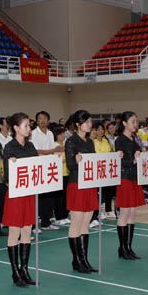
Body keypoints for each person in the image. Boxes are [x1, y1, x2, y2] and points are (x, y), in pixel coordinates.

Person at [1, 112, 38, 287]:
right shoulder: (9, 147)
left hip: (29, 194)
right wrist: (12, 165)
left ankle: (24, 269)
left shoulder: (30, 146)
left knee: (27, 232)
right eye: (25, 125)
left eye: (29, 125)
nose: (28, 128)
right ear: (16, 128)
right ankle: (15, 272)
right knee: (14, 233)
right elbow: (7, 176)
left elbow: (37, 168)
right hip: (16, 195)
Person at [64, 110, 99, 273]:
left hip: (89, 184)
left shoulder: (90, 142)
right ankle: (76, 260)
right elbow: (70, 165)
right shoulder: (71, 141)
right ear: (78, 124)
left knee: (85, 224)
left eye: (90, 121)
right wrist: (75, 161)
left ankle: (84, 259)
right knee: (76, 224)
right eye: (86, 122)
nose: (89, 124)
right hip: (77, 184)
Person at [114, 111, 144, 260]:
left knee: (132, 212)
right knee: (124, 212)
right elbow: (119, 162)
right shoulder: (120, 140)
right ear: (125, 123)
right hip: (124, 178)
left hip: (134, 177)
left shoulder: (135, 139)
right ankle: (122, 248)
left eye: (136, 121)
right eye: (132, 121)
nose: (135, 124)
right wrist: (133, 161)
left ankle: (128, 247)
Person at [31, 111, 62, 231]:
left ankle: (46, 223)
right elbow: (36, 151)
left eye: (45, 118)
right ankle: (33, 225)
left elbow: (52, 150)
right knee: (36, 198)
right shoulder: (33, 133)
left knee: (47, 197)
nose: (43, 120)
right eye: (40, 118)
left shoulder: (50, 133)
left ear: (48, 121)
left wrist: (55, 152)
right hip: (37, 167)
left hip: (48, 167)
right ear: (37, 121)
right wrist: (53, 150)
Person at [92, 122, 116, 220]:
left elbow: (110, 152)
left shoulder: (106, 141)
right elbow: (97, 154)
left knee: (108, 190)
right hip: (98, 169)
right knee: (99, 191)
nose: (101, 131)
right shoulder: (93, 142)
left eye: (102, 129)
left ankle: (108, 210)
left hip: (107, 169)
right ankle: (99, 211)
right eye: (98, 129)